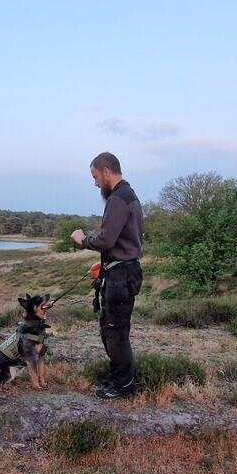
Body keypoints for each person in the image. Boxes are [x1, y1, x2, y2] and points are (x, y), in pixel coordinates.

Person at [72, 152, 144, 400]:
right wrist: (106, 263)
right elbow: (122, 241)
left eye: (95, 177)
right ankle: (117, 378)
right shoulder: (128, 195)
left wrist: (82, 239)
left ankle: (123, 387)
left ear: (106, 171)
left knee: (115, 331)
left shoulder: (118, 199)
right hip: (121, 271)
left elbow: (105, 240)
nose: (95, 183)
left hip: (121, 277)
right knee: (110, 328)